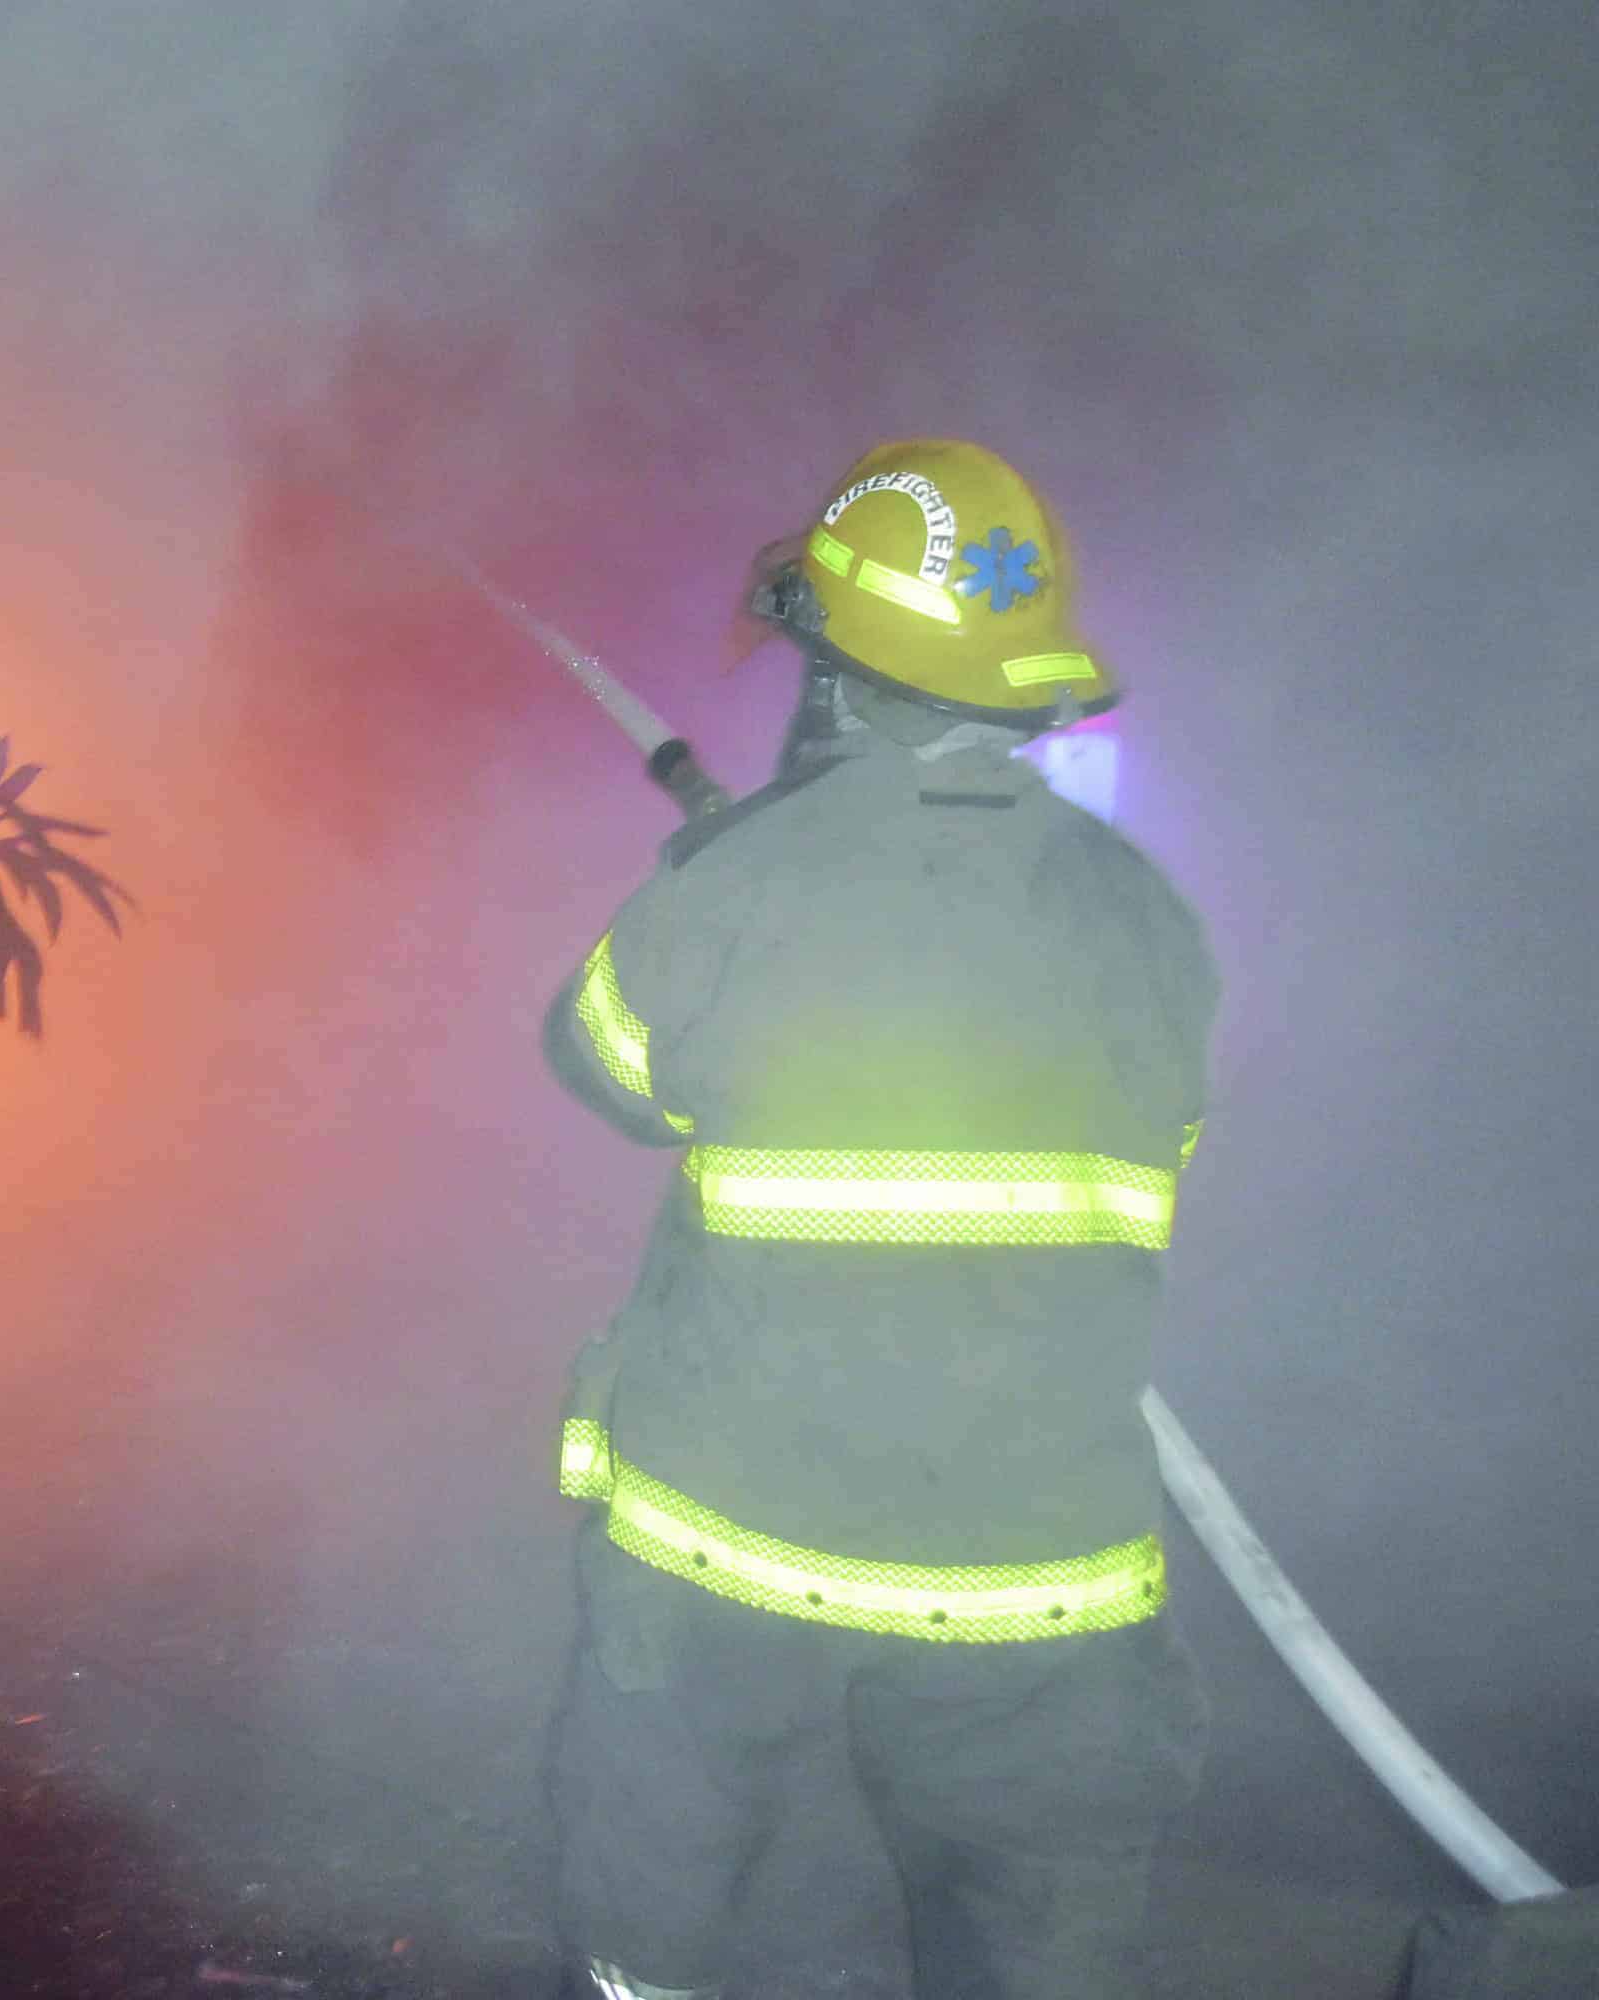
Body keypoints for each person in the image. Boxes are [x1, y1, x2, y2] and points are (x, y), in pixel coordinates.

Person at [540, 439, 1219, 2000]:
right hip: (1033, 1566)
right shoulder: (1146, 915)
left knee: (658, 1879)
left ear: (833, 682)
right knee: (1039, 1928)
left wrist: (714, 866)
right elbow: (1158, 1145)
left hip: (727, 1535)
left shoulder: (742, 881)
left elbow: (604, 1066)